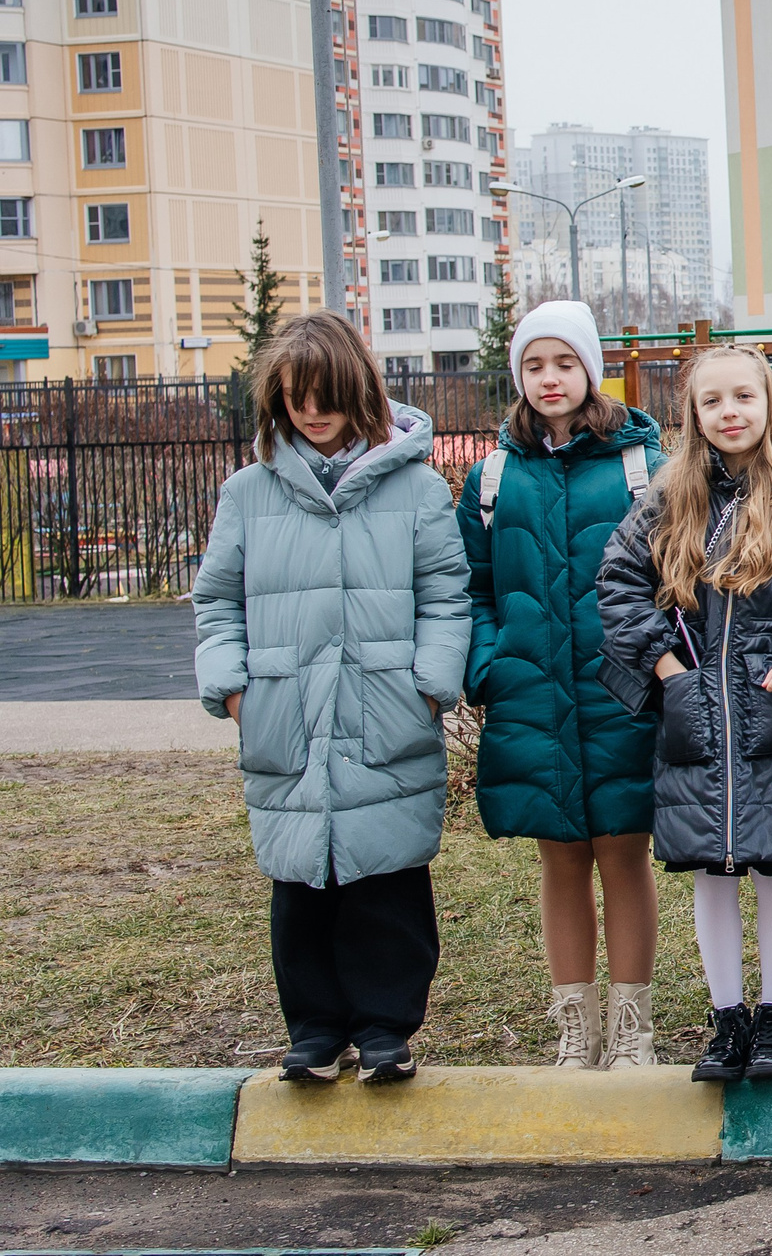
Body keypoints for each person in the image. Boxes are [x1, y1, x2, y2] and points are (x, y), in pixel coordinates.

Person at [192, 312, 469, 1085]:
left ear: (358, 391)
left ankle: (385, 1029)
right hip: (285, 714)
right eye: (296, 396)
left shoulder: (415, 489)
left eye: (327, 394)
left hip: (386, 710)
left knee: (387, 875)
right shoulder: (248, 493)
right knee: (299, 880)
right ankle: (314, 1030)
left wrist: (429, 686)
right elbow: (217, 600)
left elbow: (446, 595)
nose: (312, 411)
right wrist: (234, 689)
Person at [596, 344, 772, 1085]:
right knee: (710, 870)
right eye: (711, 401)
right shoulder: (666, 500)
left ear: (769, 403)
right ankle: (727, 1016)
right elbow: (618, 581)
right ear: (693, 413)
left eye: (743, 396)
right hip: (694, 718)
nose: (729, 412)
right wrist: (665, 668)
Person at [459, 300, 667, 1070]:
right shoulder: (492, 476)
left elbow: (672, 577)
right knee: (561, 860)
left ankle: (633, 1028)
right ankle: (576, 1028)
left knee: (624, 854)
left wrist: (653, 666)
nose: (550, 377)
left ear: (591, 369)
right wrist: (488, 664)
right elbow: (473, 587)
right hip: (532, 695)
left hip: (621, 694)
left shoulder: (641, 467)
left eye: (565, 361)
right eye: (534, 364)